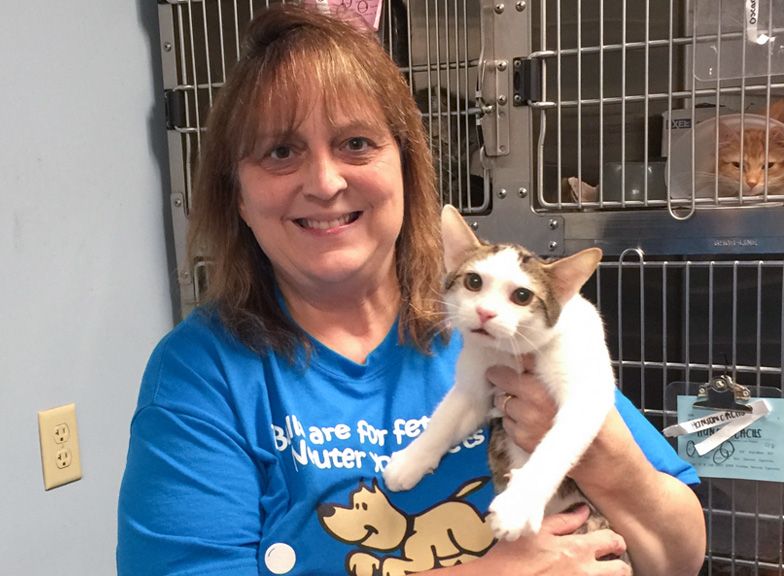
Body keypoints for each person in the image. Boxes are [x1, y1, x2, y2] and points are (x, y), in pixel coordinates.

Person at [117, 4, 706, 575]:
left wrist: (603, 458)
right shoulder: (202, 374)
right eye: (281, 151)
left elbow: (679, 554)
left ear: (407, 167)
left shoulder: (500, 321)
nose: (324, 183)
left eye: (355, 144)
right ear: (238, 195)